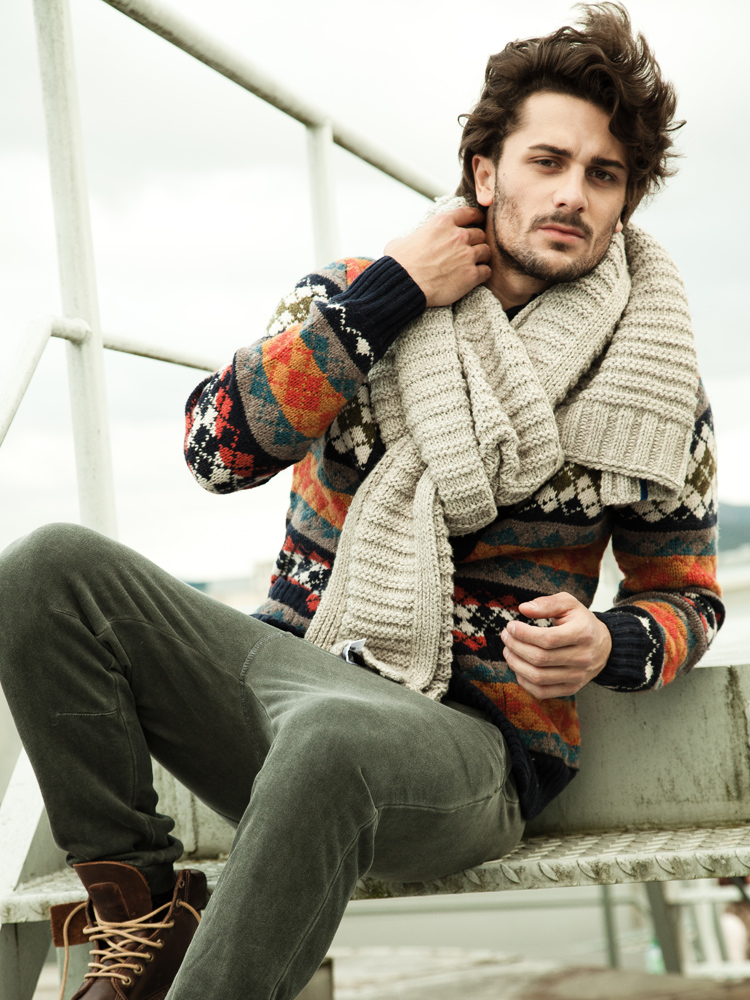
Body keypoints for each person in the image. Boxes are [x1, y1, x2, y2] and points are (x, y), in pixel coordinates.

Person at [0, 4, 723, 999]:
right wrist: (388, 296)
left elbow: (688, 592)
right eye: (548, 160)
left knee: (332, 734)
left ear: (625, 199)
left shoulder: (651, 373)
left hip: (475, 745)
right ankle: (143, 910)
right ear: (485, 174)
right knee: (44, 569)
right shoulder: (355, 299)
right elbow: (215, 451)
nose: (572, 193)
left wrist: (612, 642)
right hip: (291, 674)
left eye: (604, 175)